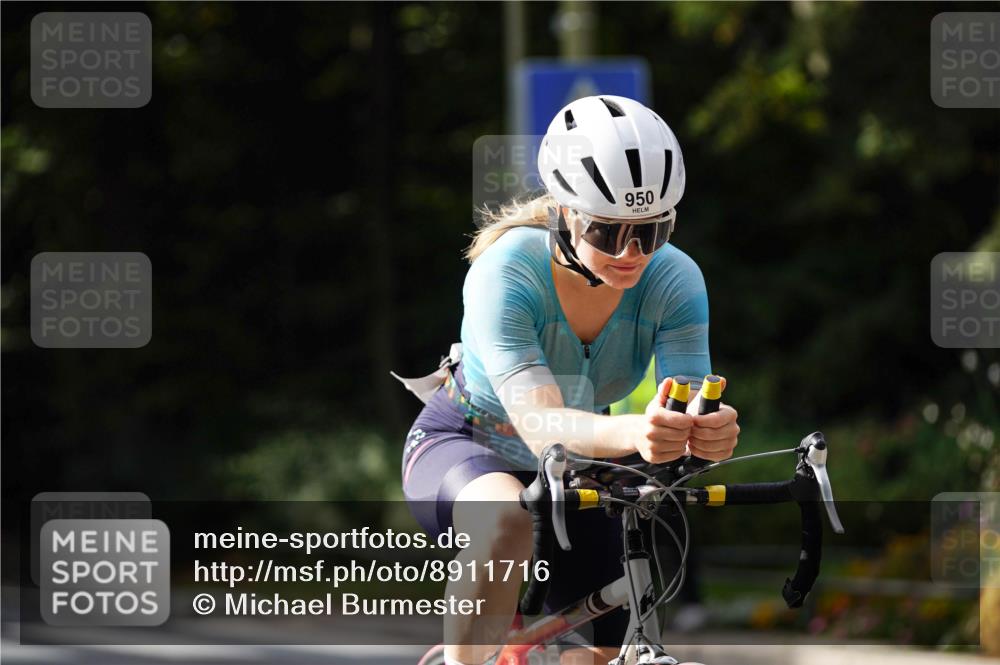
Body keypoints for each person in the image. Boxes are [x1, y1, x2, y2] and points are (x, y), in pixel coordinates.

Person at [397, 95, 740, 665]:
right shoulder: (505, 271)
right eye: (609, 232)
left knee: (599, 651)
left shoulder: (677, 279)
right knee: (504, 520)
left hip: (584, 455)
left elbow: (685, 407)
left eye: (654, 231)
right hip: (468, 441)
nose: (633, 253)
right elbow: (541, 426)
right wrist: (641, 432)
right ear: (563, 213)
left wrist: (708, 434)